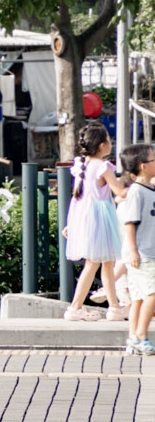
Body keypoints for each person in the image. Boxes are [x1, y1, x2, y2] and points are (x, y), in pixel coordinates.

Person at [65, 123, 131, 320]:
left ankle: (114, 307)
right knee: (96, 263)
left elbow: (77, 197)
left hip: (84, 217)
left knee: (104, 263)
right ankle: (75, 307)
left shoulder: (80, 165)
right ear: (102, 146)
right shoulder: (103, 167)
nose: (111, 144)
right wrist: (142, 186)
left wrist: (71, 224)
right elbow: (119, 191)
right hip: (100, 218)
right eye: (109, 141)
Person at [117, 144, 155, 354]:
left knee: (139, 298)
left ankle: (133, 338)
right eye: (153, 159)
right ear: (143, 166)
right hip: (143, 254)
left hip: (147, 253)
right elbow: (130, 223)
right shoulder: (137, 192)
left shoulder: (148, 188)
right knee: (153, 294)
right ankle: (141, 335)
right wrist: (133, 251)